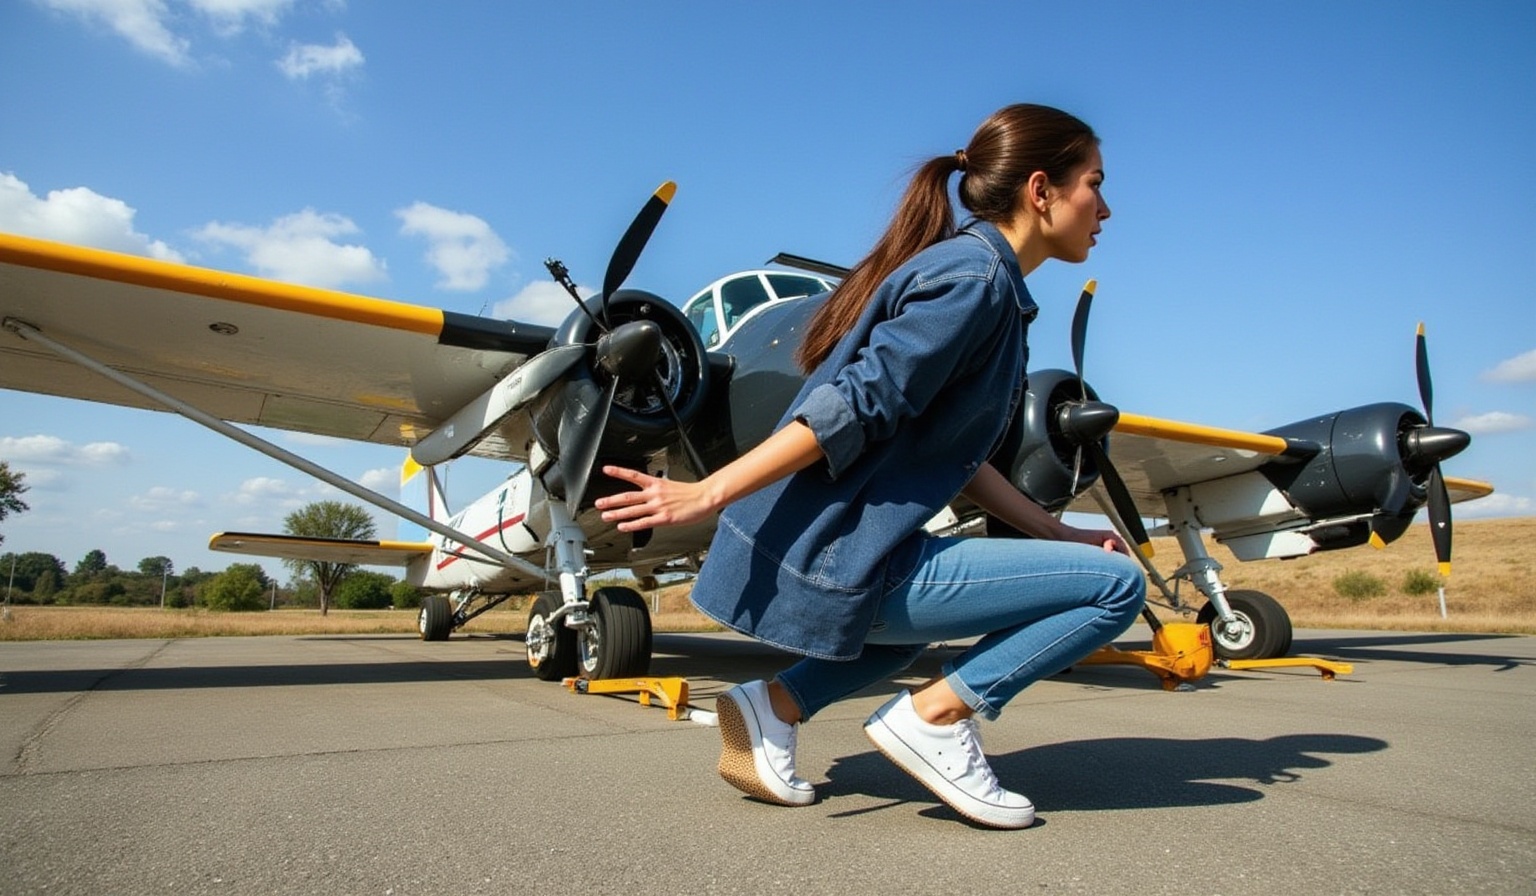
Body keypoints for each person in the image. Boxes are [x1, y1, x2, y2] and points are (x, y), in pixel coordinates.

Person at [594, 103, 1147, 830]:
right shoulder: (973, 281)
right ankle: (939, 718)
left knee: (950, 616)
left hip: (857, 551)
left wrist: (1058, 532)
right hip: (852, 554)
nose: (1105, 207)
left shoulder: (983, 281)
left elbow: (957, 456)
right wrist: (709, 491)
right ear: (1041, 190)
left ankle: (775, 707)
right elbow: (855, 405)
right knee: (1118, 588)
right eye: (1094, 184)